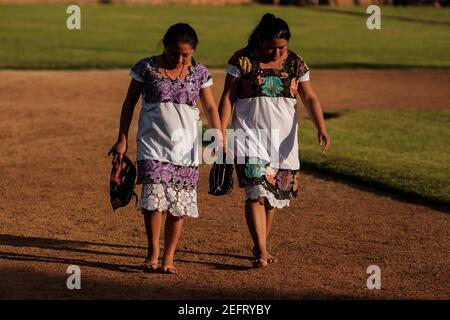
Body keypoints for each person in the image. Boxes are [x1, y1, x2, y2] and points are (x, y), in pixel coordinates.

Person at [218, 13, 331, 268]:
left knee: (272, 198)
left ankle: (262, 245)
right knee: (255, 192)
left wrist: (320, 127)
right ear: (260, 40)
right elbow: (228, 97)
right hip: (249, 134)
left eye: (282, 47)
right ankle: (260, 247)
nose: (277, 52)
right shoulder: (242, 60)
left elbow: (309, 98)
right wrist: (221, 131)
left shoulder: (295, 63)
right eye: (272, 47)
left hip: (283, 141)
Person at [108, 23, 222, 274]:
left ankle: (169, 256)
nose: (180, 59)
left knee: (178, 204)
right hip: (152, 144)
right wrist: (122, 138)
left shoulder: (200, 72)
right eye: (174, 53)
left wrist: (218, 136)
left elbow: (211, 107)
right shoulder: (146, 67)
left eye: (185, 54)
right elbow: (129, 103)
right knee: (153, 199)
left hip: (186, 147)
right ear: (164, 46)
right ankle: (153, 251)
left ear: (193, 51)